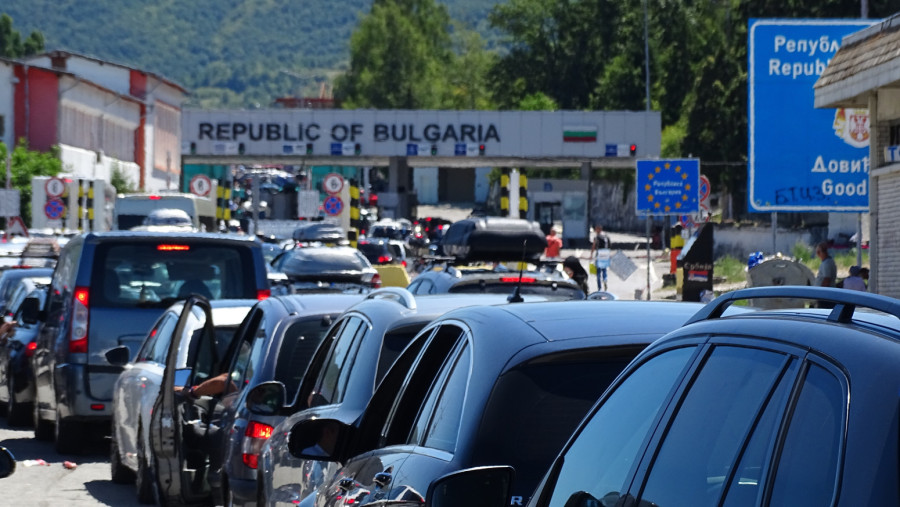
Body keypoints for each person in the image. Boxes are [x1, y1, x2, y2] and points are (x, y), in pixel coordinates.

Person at [590, 225, 612, 291]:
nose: (595, 231)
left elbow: (594, 246)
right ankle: (605, 279)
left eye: (596, 229)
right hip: (606, 253)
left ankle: (599, 287)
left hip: (599, 254)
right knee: (604, 269)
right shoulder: (606, 236)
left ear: (598, 229)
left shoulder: (597, 237)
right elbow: (610, 245)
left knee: (598, 271)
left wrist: (591, 254)